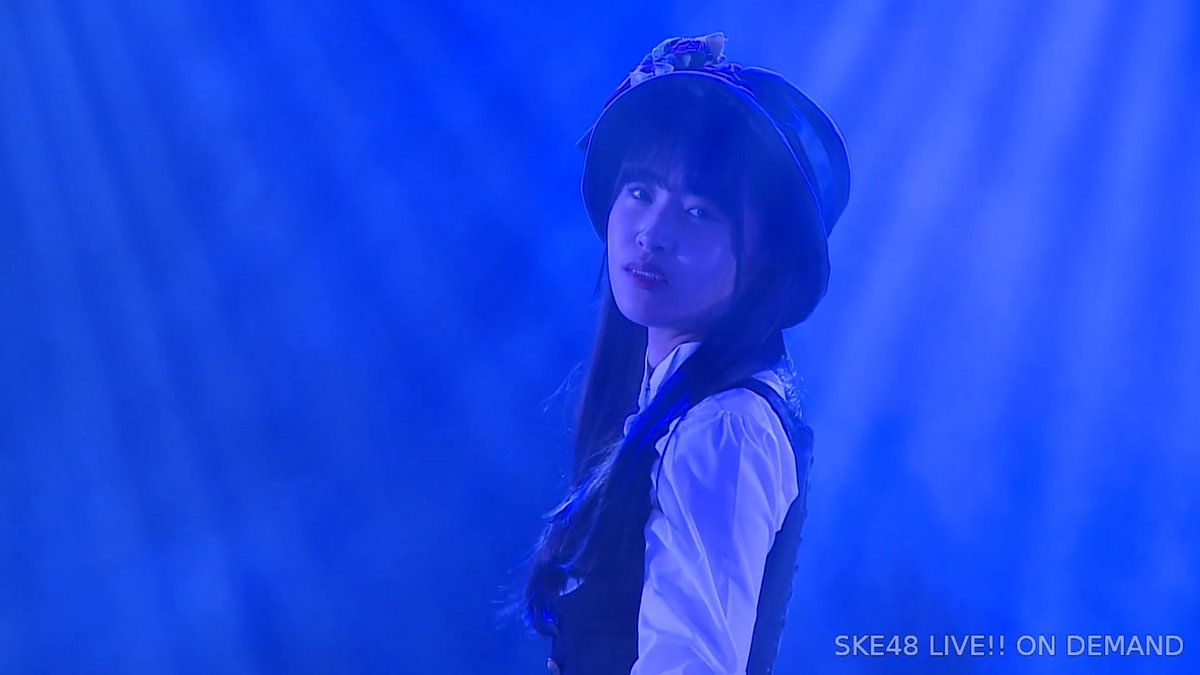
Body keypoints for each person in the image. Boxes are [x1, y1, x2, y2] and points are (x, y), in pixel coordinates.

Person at [520, 33, 851, 674]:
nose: (652, 234)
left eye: (700, 212)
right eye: (641, 191)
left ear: (765, 258)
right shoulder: (672, 408)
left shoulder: (724, 428)